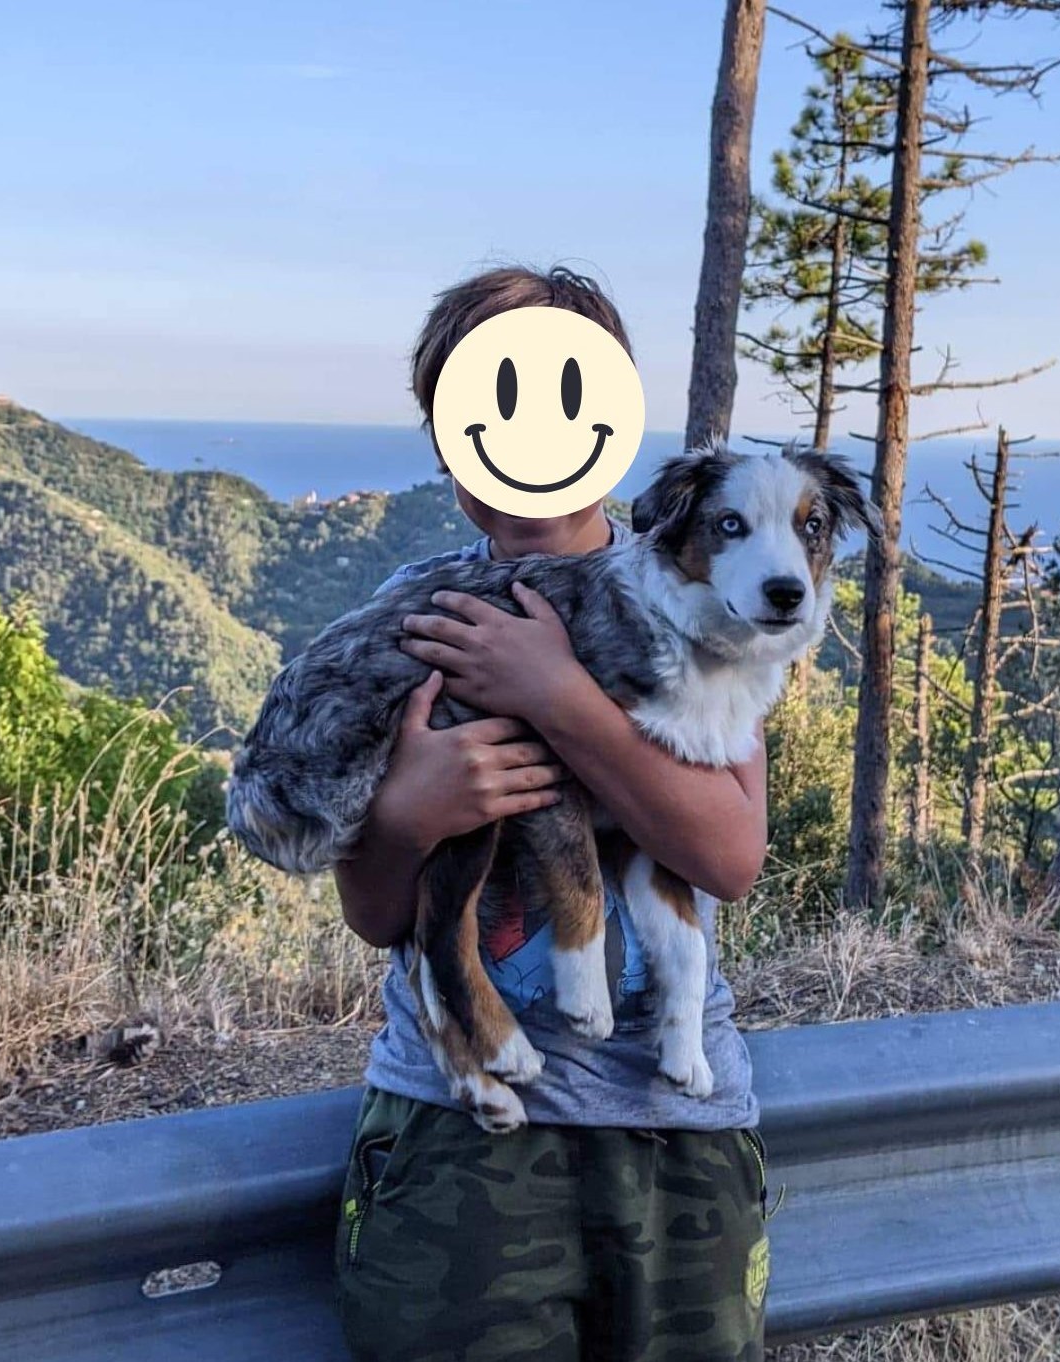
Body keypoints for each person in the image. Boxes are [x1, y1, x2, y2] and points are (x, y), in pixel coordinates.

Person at [332, 264, 771, 1362]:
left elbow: (728, 855)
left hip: (674, 1127)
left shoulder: (694, 605)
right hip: (454, 1126)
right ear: (447, 441)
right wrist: (408, 812)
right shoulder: (419, 619)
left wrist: (555, 695)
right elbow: (375, 913)